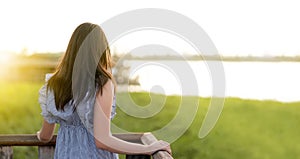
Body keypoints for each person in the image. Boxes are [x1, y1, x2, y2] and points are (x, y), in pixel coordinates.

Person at [37, 22, 171, 158]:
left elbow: (45, 136)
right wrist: (147, 148)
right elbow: (102, 140)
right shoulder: (102, 83)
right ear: (100, 50)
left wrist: (39, 135)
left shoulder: (54, 83)